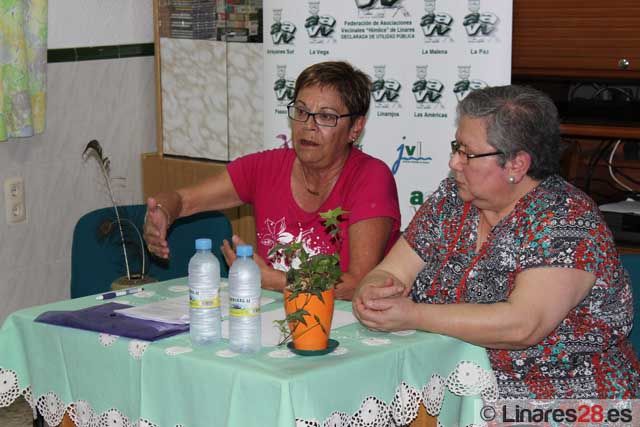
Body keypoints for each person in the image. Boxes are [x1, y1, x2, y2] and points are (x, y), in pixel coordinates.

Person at [353, 85, 640, 399]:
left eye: (467, 153)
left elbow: (523, 325)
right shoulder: (451, 200)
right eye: (455, 147)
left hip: (561, 400)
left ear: (516, 164)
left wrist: (412, 315)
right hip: (454, 387)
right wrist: (375, 290)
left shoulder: (567, 220)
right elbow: (393, 271)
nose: (454, 163)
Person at [144, 61, 401, 300]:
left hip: (348, 324)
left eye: (326, 117)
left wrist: (277, 280)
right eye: (301, 111)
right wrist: (162, 213)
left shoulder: (371, 178)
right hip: (277, 317)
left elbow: (358, 283)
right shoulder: (265, 168)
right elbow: (183, 199)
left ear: (355, 128)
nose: (308, 126)